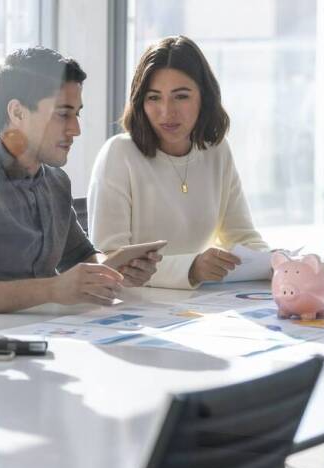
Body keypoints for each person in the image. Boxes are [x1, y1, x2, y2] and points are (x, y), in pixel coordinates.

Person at [0, 47, 158, 313]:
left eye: (77, 114)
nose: (76, 129)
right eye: (62, 114)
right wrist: (53, 289)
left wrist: (116, 270)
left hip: (50, 333)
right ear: (17, 112)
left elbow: (81, 256)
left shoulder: (56, 183)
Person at [87, 35, 268, 290]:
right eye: (154, 98)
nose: (167, 112)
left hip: (192, 307)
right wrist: (191, 268)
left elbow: (242, 237)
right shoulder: (119, 154)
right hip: (135, 310)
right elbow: (112, 260)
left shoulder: (217, 151)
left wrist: (277, 263)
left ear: (203, 97)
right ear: (141, 101)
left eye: (181, 96)